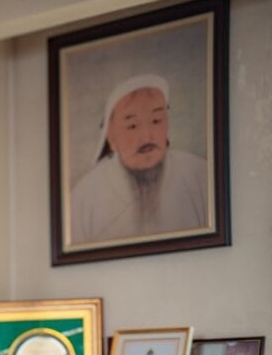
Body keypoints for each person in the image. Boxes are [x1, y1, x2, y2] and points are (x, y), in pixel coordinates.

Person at [69, 74, 208, 245]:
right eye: (132, 125)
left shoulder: (200, 176)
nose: (146, 136)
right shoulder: (83, 198)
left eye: (156, 121)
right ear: (111, 138)